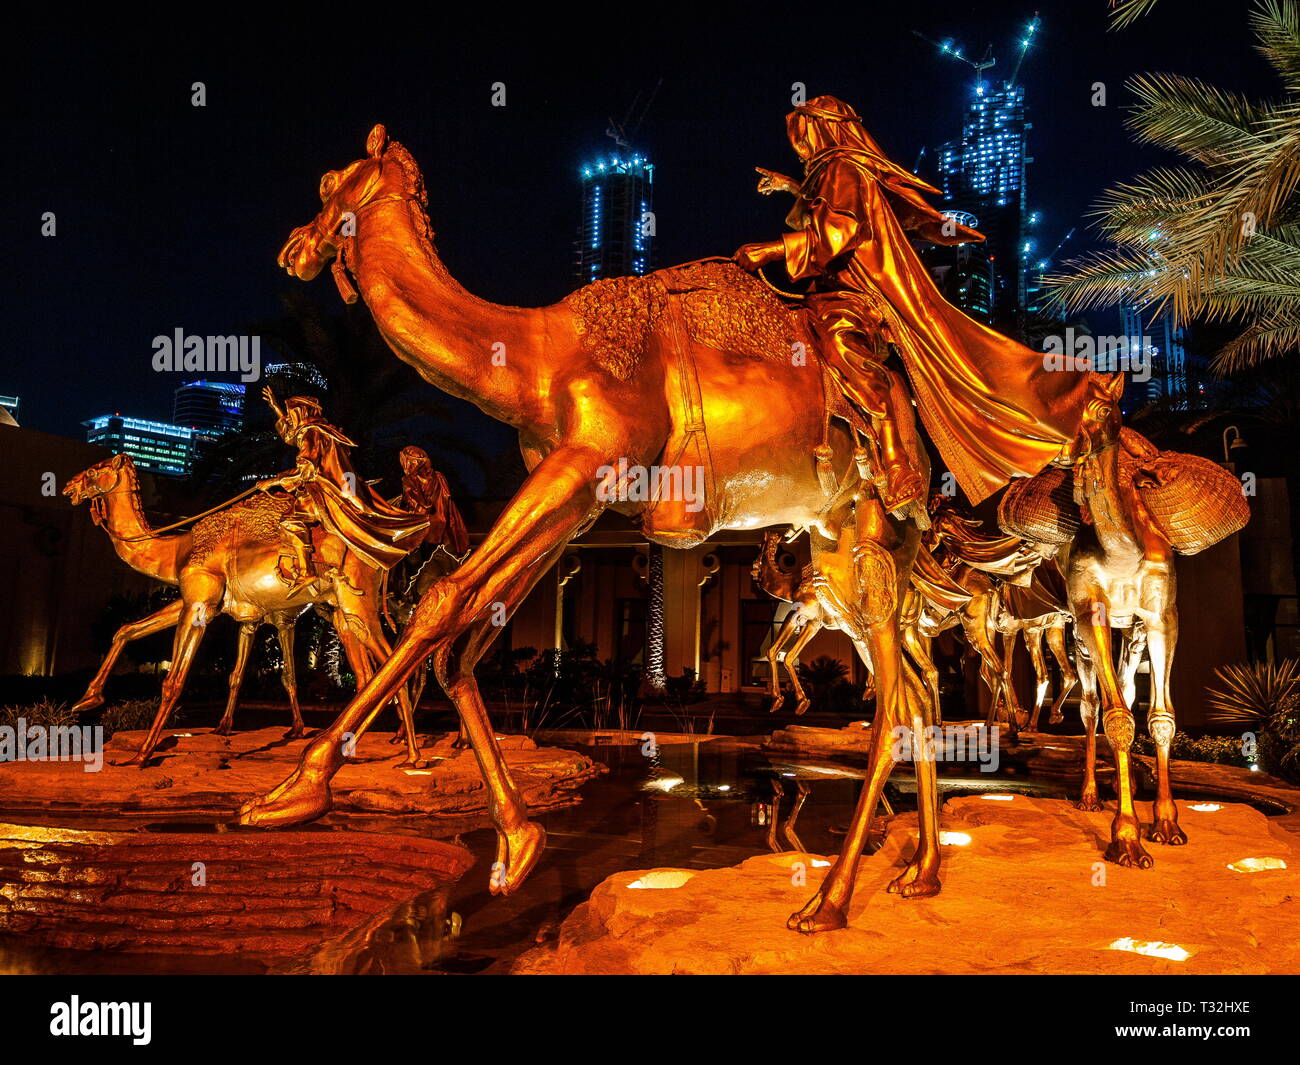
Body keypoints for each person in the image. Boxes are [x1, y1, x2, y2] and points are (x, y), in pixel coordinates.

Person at [734, 96, 1089, 511]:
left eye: (801, 137)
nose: (799, 148)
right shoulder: (838, 174)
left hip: (854, 295)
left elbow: (841, 230)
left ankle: (895, 458)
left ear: (820, 130)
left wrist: (771, 250)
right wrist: (792, 186)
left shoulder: (844, 169)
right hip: (825, 288)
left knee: (843, 348)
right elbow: (830, 208)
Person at [258, 388, 429, 594]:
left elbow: (306, 470)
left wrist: (273, 481)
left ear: (300, 414)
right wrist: (277, 409)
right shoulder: (321, 431)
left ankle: (306, 570)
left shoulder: (311, 433)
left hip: (326, 490)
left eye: (292, 415)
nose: (290, 422)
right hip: (341, 486)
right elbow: (291, 436)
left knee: (290, 521)